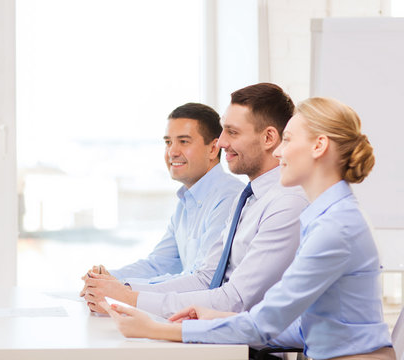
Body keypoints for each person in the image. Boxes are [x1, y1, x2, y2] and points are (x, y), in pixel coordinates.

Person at [102, 97, 395, 360]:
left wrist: (157, 329)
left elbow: (265, 324)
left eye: (288, 140)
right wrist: (214, 319)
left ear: (319, 146)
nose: (279, 151)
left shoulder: (336, 228)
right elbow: (307, 329)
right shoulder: (326, 217)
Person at [83, 83, 308, 317]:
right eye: (168, 142)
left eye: (232, 132)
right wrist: (121, 289)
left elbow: (235, 300)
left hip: (249, 347)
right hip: (223, 332)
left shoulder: (285, 202)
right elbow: (206, 279)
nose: (220, 143)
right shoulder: (248, 199)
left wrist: (128, 296)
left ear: (269, 137)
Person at [80, 103, 244, 288]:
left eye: (183, 141)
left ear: (213, 149)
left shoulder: (228, 197)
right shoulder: (186, 202)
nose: (172, 152)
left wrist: (123, 288)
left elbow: (204, 280)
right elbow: (159, 263)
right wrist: (107, 278)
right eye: (168, 142)